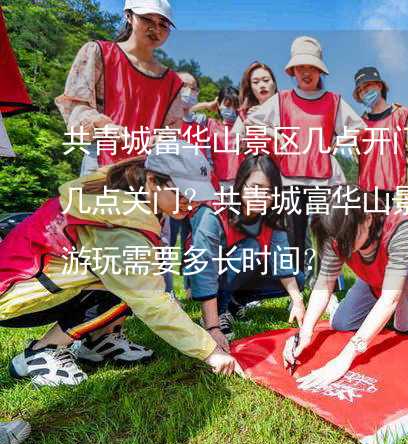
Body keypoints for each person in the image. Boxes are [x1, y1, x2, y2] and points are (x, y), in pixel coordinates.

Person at [0, 142, 242, 389]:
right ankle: (41, 352)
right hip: (15, 294)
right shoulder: (120, 218)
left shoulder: (130, 191)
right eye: (181, 193)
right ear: (152, 180)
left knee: (135, 277)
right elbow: (150, 301)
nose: (189, 204)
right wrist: (210, 351)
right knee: (136, 285)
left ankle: (100, 341)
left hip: (34, 281)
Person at [282, 185, 408, 389]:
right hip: (374, 277)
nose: (342, 247)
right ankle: (375, 298)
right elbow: (325, 282)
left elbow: (389, 299)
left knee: (403, 324)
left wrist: (345, 357)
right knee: (341, 323)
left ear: (368, 218)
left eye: (347, 238)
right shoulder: (337, 231)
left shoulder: (401, 228)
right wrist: (305, 332)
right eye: (337, 240)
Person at [247, 36, 366, 273]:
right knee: (294, 235)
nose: (306, 72)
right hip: (290, 179)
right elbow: (253, 121)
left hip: (324, 179)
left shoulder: (334, 101)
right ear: (293, 71)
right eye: (301, 67)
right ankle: (299, 285)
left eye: (312, 67)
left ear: (320, 71)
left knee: (327, 231)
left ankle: (325, 284)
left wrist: (338, 140)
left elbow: (359, 127)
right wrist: (275, 134)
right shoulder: (281, 100)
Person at [184, 154, 305, 348]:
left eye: (268, 191)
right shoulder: (215, 212)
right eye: (255, 187)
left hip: (238, 271)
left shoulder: (272, 216)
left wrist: (298, 301)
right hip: (208, 272)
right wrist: (212, 327)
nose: (261, 197)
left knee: (297, 279)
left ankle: (234, 302)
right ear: (240, 185)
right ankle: (218, 312)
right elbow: (203, 266)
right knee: (251, 248)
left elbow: (282, 261)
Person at [55, 0, 184, 174]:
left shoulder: (172, 81)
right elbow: (76, 105)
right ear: (129, 16)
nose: (156, 29)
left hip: (147, 170)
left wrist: (162, 139)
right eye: (147, 19)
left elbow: (172, 128)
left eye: (163, 24)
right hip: (101, 161)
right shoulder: (98, 53)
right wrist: (105, 126)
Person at [351, 66, 408, 204]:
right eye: (360, 90)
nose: (364, 92)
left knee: (398, 224)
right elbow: (356, 157)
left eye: (367, 86)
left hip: (398, 190)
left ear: (379, 85)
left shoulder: (402, 115)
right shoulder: (358, 125)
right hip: (368, 192)